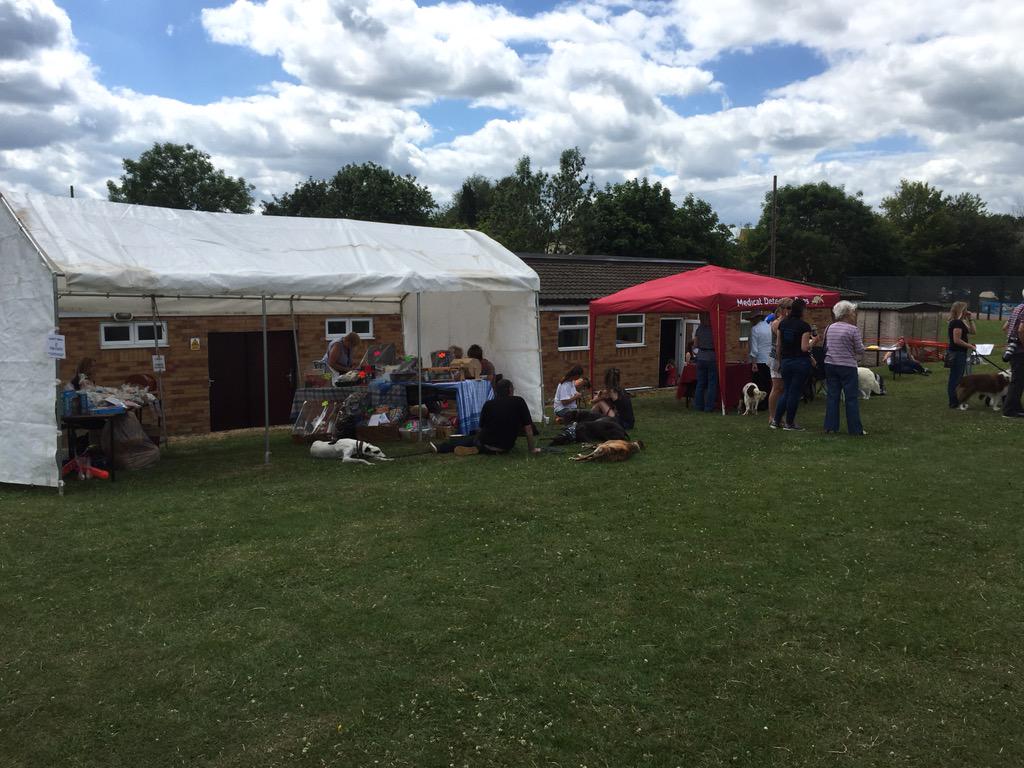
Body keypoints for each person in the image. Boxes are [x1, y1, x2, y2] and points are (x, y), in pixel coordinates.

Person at [431, 378, 541, 455]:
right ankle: (477, 448)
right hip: (506, 446)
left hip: (487, 443)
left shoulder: (489, 404)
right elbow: (528, 428)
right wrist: (532, 449)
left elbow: (480, 429)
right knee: (473, 439)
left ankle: (442, 447)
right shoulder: (519, 401)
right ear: (510, 390)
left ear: (496, 391)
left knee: (469, 438)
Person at [822, 301, 867, 435]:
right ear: (847, 313)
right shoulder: (853, 329)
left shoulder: (829, 328)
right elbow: (859, 349)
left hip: (830, 364)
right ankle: (855, 429)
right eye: (853, 312)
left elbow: (826, 345)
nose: (854, 315)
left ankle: (830, 427)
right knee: (851, 398)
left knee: (832, 396)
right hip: (847, 366)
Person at [772, 297, 813, 431]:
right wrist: (815, 341)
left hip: (785, 361)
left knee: (787, 391)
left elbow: (778, 345)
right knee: (794, 393)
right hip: (800, 362)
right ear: (802, 310)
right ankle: (790, 423)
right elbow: (804, 348)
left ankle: (776, 420)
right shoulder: (804, 326)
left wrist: (780, 361)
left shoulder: (782, 324)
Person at [767, 298, 793, 425]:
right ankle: (772, 416)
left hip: (786, 357)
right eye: (788, 308)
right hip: (776, 358)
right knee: (777, 387)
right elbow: (780, 342)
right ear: (782, 309)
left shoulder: (788, 322)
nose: (791, 310)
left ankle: (779, 415)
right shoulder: (777, 323)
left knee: (783, 389)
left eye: (792, 308)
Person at [946, 301, 976, 409]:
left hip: (959, 353)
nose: (967, 311)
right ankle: (954, 401)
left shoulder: (961, 322)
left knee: (957, 376)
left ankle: (956, 400)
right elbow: (956, 340)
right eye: (965, 309)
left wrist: (970, 319)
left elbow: (973, 332)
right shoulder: (957, 323)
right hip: (957, 353)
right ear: (961, 310)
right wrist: (970, 346)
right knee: (956, 378)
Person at [1001, 290, 1024, 418]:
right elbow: (1021, 330)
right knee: (1017, 381)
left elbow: (1005, 327)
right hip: (1020, 351)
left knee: (1018, 380)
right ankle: (1009, 410)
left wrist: (1011, 340)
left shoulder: (1018, 308)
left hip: (1013, 349)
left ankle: (1016, 407)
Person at [692, 313, 717, 412]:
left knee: (700, 383)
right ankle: (709, 407)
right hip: (712, 356)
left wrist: (697, 353)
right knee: (711, 384)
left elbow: (695, 345)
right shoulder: (714, 329)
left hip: (701, 357)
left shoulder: (699, 329)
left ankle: (698, 406)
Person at [747, 311, 772, 403]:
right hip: (770, 358)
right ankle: (768, 401)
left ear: (755, 319)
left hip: (759, 360)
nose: (751, 322)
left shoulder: (755, 329)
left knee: (759, 383)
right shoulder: (770, 327)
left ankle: (761, 403)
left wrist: (754, 362)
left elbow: (754, 348)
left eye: (751, 320)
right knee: (768, 382)